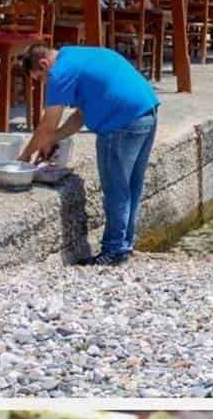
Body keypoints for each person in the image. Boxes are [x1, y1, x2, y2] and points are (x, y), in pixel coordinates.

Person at [19, 42, 158, 266]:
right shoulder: (76, 56)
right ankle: (125, 245)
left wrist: (24, 157)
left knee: (115, 189)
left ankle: (113, 251)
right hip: (146, 113)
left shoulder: (59, 72)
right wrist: (52, 140)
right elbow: (79, 117)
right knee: (131, 186)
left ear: (44, 65)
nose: (44, 85)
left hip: (119, 123)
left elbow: (47, 123)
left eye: (40, 79)